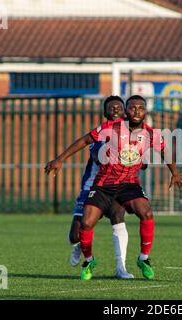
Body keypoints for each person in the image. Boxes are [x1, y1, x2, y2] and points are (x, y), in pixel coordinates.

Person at [47, 95, 182, 281]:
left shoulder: (151, 134)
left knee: (146, 212)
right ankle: (89, 261)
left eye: (140, 108)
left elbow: (164, 151)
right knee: (85, 225)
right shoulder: (110, 128)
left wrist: (174, 173)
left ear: (146, 111)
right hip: (104, 184)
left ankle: (143, 259)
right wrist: (59, 159)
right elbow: (84, 140)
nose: (136, 111)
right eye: (132, 108)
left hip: (128, 183)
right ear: (126, 111)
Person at [45, 96, 133, 279]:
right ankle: (79, 247)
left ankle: (121, 268)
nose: (115, 109)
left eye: (119, 107)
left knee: (118, 215)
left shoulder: (132, 133)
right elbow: (97, 154)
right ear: (105, 113)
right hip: (92, 187)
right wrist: (59, 159)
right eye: (111, 107)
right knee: (75, 234)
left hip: (117, 187)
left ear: (124, 112)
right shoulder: (100, 133)